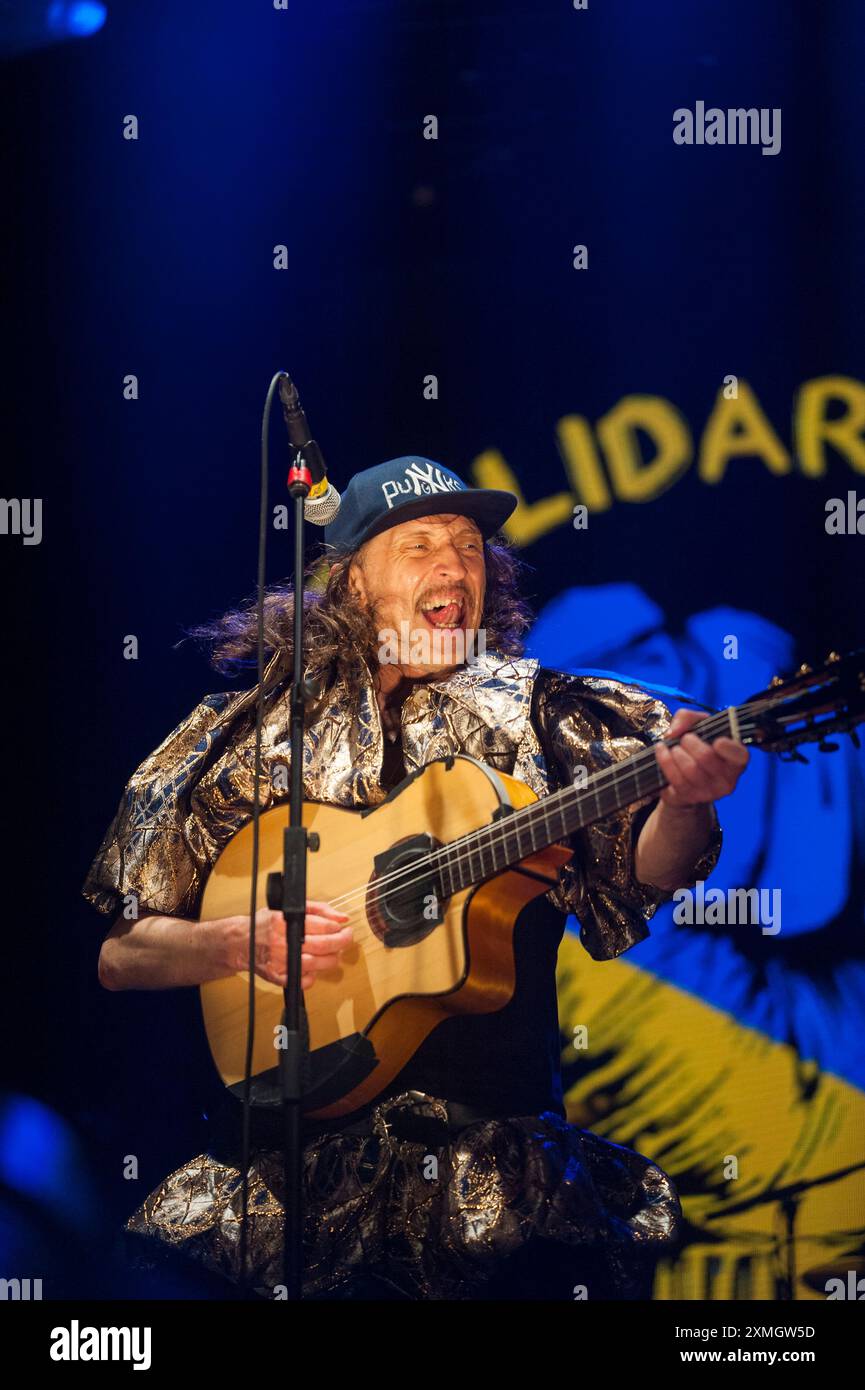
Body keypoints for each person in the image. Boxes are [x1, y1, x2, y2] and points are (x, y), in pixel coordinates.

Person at [82, 457, 748, 1300]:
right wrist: (227, 942)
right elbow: (121, 955)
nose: (453, 565)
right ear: (352, 582)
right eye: (420, 544)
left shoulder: (543, 714)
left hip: (490, 1184)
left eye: (469, 545)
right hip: (271, 1185)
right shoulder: (238, 738)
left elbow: (646, 873)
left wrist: (686, 802)